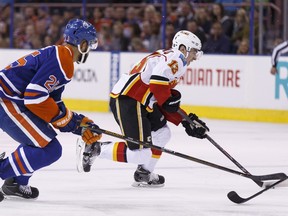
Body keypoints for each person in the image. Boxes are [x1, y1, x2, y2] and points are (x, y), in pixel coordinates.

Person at [77, 30, 209, 187]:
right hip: (130, 100)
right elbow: (158, 85)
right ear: (183, 48)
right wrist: (174, 108)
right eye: (194, 52)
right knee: (140, 154)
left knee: (162, 134)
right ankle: (95, 148)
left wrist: (185, 120)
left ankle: (144, 174)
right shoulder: (177, 58)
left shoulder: (169, 57)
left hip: (140, 102)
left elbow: (161, 97)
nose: (195, 57)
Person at [0, 18, 102, 199]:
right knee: (49, 149)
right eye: (90, 45)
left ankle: (17, 183)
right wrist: (67, 120)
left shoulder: (60, 55)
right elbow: (35, 97)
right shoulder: (64, 61)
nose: (90, 50)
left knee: (39, 141)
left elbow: (51, 100)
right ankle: (9, 174)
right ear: (83, 44)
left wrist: (78, 123)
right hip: (6, 101)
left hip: (10, 99)